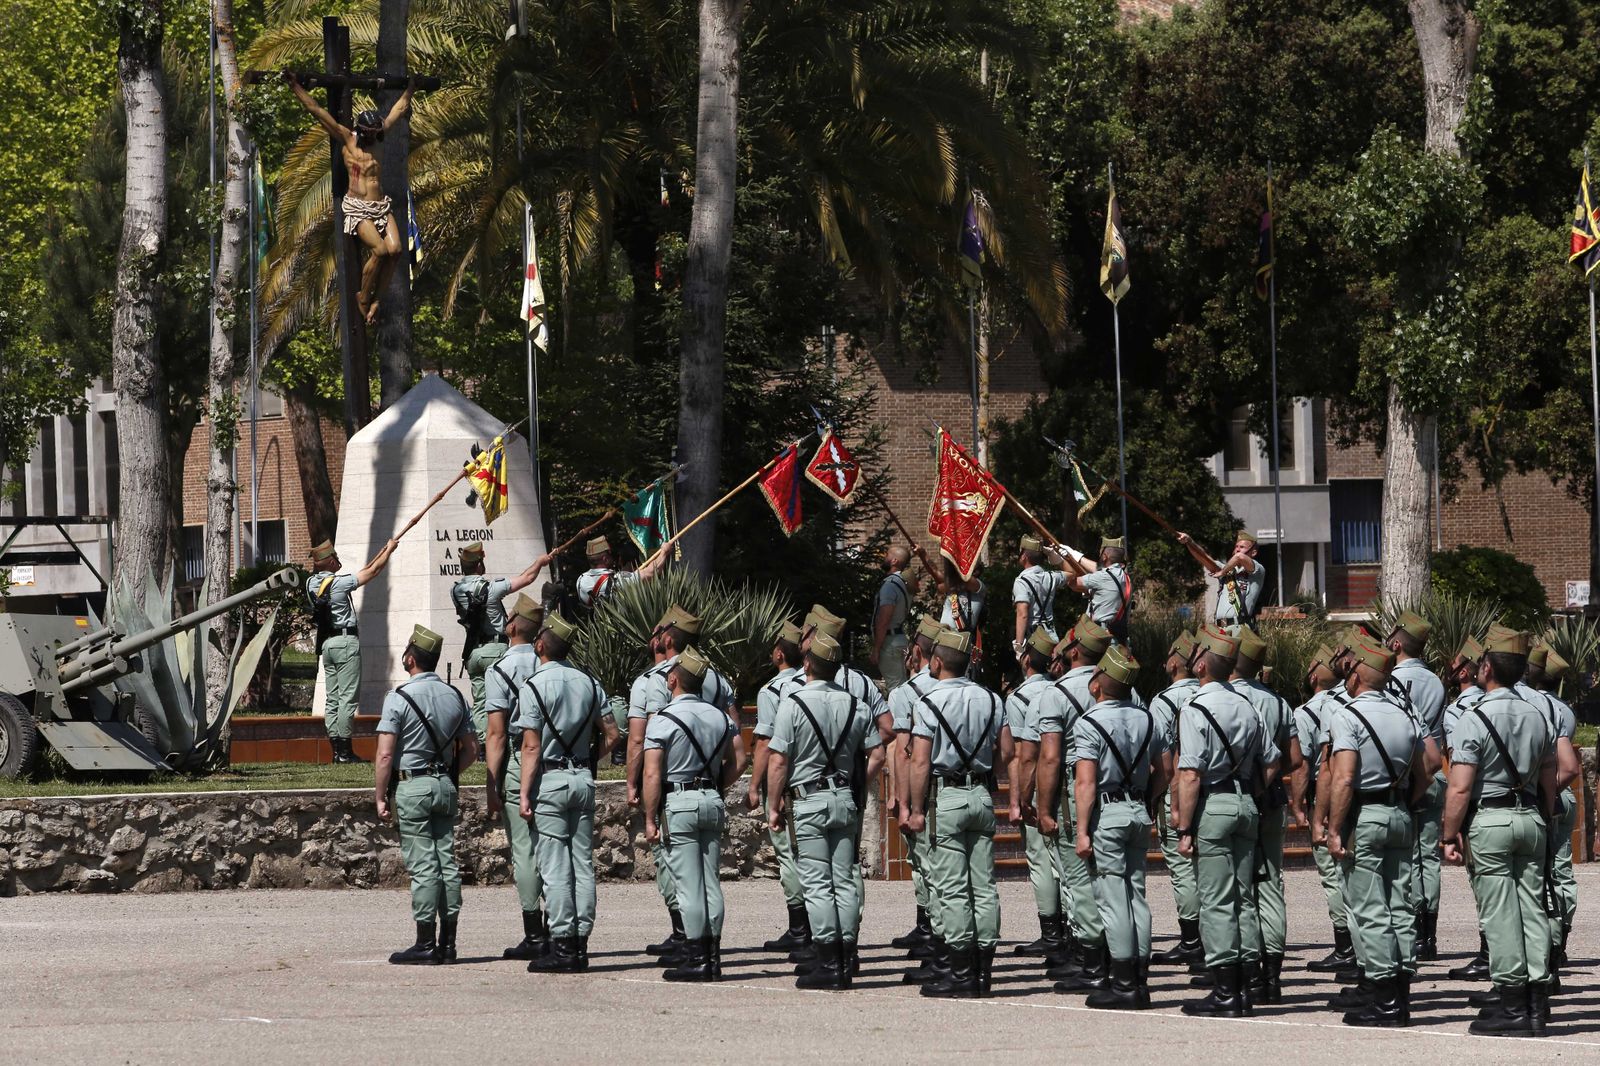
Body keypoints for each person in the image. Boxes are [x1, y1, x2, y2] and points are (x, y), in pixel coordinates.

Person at [1441, 628, 1559, 1037]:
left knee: (1500, 912)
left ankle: (1511, 1003)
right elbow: (1549, 774)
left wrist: (1448, 833)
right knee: (1532, 905)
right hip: (1531, 817)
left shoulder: (1473, 718)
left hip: (1490, 819)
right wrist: (1544, 813)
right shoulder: (1539, 715)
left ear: (1486, 667)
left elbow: (1459, 786)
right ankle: (1537, 1003)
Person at [765, 632, 886, 989]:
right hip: (844, 798)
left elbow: (778, 761)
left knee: (817, 883)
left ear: (807, 665)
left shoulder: (792, 703)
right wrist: (854, 781)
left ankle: (828, 963)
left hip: (809, 800)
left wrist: (774, 804)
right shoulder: (857, 705)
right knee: (845, 878)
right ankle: (847, 957)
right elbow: (877, 753)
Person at [1172, 625, 1277, 1018]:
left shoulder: (1195, 707)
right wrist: (1250, 791)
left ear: (1200, 665)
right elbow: (1271, 762)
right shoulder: (1249, 706)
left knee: (1216, 900)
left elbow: (1190, 774)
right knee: (1244, 898)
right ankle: (1248, 984)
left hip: (1213, 805)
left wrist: (1183, 827)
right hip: (1246, 802)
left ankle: (1225, 992)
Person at [1324, 641, 1429, 1028]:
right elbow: (1427, 770)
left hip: (1365, 814)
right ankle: (1402, 994)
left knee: (1370, 908)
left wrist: (1335, 829)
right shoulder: (1405, 716)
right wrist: (1403, 801)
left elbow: (1345, 777)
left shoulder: (1347, 715)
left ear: (1356, 675)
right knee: (1400, 905)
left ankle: (1384, 1000)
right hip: (1399, 811)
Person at [903, 629, 1011, 998]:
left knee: (952, 888)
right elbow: (1007, 751)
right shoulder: (993, 700)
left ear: (936, 662)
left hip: (945, 797)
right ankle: (984, 972)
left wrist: (917, 809)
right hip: (980, 793)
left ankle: (961, 971)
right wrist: (985, 771)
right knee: (984, 886)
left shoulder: (928, 701)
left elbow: (919, 761)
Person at [627, 605, 737, 962]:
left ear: (669, 638)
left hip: (676, 793)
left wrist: (640, 796)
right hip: (710, 789)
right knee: (709, 878)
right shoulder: (718, 681)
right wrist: (717, 786)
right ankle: (711, 947)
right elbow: (738, 750)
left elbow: (640, 745)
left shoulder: (653, 680)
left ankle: (688, 942)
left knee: (680, 874)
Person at [515, 611, 621, 973]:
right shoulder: (589, 683)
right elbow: (612, 734)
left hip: (550, 779)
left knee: (555, 866)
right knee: (582, 864)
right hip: (582, 777)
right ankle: (581, 943)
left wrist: (525, 793)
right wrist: (589, 760)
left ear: (540, 646)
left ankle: (561, 945)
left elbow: (530, 748)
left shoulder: (532, 687)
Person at [373, 624, 479, 965]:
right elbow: (471, 749)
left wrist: (379, 795)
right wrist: (449, 774)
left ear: (409, 658)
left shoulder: (398, 698)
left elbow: (386, 754)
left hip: (413, 785)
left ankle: (425, 943)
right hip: (444, 784)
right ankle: (448, 943)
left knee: (423, 866)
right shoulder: (455, 696)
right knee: (446, 862)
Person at [1068, 644, 1166, 1008]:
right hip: (1139, 810)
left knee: (1112, 898)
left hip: (1107, 813)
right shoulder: (1147, 719)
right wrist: (1149, 801)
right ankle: (1140, 976)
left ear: (1098, 684)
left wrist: (1081, 830)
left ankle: (1123, 983)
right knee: (1136, 892)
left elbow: (1085, 784)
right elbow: (1165, 770)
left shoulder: (1089, 723)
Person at [642, 647, 747, 982]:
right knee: (710, 881)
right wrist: (717, 786)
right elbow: (739, 761)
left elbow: (651, 773)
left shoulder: (663, 720)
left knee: (688, 885)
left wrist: (649, 817)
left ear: (673, 679)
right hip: (712, 798)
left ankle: (696, 957)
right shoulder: (721, 718)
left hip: (680, 802)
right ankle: (713, 956)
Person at [1036, 616, 1130, 990]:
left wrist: (1043, 809)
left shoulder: (1055, 693)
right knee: (1115, 882)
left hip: (1076, 793)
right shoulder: (1125, 688)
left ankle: (1091, 963)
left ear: (1074, 650)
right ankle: (1116, 955)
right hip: (1119, 794)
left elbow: (1049, 758)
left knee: (1080, 881)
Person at [285, 73, 416, 324]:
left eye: (375, 133)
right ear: (361, 130)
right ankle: (363, 296)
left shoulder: (379, 134)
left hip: (380, 205)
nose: (372, 137)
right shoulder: (348, 138)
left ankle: (377, 300)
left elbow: (398, 109)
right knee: (379, 251)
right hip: (358, 207)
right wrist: (295, 87)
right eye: (368, 133)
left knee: (396, 250)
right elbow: (317, 111)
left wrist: (411, 87)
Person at [1228, 625, 1297, 1004]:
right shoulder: (1278, 701)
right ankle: (1273, 975)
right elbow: (1294, 757)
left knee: (1241, 887)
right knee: (1271, 882)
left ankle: (1249, 970)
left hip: (1239, 792)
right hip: (1272, 796)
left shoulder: (1224, 697)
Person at [482, 593, 549, 960]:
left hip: (515, 756)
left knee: (523, 849)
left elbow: (495, 732)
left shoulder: (500, 669)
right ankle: (560, 927)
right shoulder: (550, 663)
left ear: (511, 626)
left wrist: (491, 781)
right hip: (551, 759)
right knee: (553, 846)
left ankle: (534, 932)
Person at [1518, 644, 1582, 988]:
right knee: (1560, 871)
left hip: (1537, 794)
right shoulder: (1563, 710)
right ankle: (1559, 943)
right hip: (1562, 792)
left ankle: (1533, 958)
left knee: (1533, 877)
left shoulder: (1523, 703)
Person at [1384, 610, 1447, 961]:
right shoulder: (1437, 681)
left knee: (1405, 858)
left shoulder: (1388, 679)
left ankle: (1409, 929)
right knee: (1429, 858)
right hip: (1435, 773)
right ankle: (1429, 934)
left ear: (1396, 643)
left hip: (1405, 775)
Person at [306, 536, 398, 763]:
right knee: (347, 698)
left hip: (327, 644)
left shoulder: (310, 584)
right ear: (328, 561)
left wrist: (382, 549)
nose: (337, 560)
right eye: (334, 557)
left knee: (333, 699)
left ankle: (336, 749)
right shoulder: (339, 583)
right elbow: (373, 571)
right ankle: (345, 752)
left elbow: (366, 568)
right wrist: (390, 551)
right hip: (346, 643)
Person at [451, 542, 553, 743]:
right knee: (510, 695)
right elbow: (527, 578)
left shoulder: (455, 591)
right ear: (479, 565)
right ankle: (509, 736)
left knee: (480, 700)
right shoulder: (491, 588)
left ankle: (482, 744)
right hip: (496, 648)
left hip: (473, 652)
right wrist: (540, 562)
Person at [891, 617, 947, 980]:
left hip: (924, 790)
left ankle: (931, 929)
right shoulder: (974, 691)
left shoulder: (906, 693)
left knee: (925, 864)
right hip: (960, 788)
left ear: (917, 651)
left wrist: (902, 799)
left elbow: (903, 752)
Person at [749, 621, 810, 956]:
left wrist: (756, 786)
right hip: (819, 782)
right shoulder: (814, 683)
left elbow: (765, 744)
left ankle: (799, 927)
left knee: (789, 856)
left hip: (788, 786)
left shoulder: (772, 691)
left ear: (777, 653)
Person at [1005, 627, 1065, 965]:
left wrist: (1019, 800)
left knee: (1041, 861)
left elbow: (1021, 755)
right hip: (1066, 785)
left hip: (1041, 784)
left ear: (1027, 659)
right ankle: (1071, 930)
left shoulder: (1019, 698)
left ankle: (1051, 933)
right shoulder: (1063, 691)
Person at [1291, 645, 1352, 975]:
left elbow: (1301, 766)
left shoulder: (1304, 713)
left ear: (1313, 677)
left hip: (1324, 794)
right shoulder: (1348, 703)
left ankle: (1344, 945)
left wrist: (1299, 805)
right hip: (1350, 794)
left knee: (1332, 876)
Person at [1150, 631, 1204, 968]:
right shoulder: (1209, 693)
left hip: (1179, 791)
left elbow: (1163, 760)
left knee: (1182, 869)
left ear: (1173, 663)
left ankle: (1190, 939)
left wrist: (1164, 800)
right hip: (1210, 790)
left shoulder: (1162, 702)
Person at [1441, 635, 1491, 982]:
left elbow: (1455, 772)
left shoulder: (1460, 712)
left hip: (1483, 808)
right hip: (1532, 808)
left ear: (1465, 673)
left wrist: (1450, 828)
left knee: (1489, 891)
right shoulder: (1533, 705)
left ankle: (1494, 960)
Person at [1177, 529, 1265, 627]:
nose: (1237, 550)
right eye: (1236, 546)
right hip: (1220, 628)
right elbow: (1203, 557)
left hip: (1241, 628)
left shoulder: (1257, 570)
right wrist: (1189, 541)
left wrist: (1222, 572)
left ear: (1253, 553)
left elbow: (1240, 557)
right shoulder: (1228, 570)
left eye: (1242, 547)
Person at [1058, 537, 1135, 644]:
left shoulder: (1103, 577)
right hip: (1117, 637)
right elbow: (1101, 572)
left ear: (1104, 557)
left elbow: (1072, 583)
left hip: (1098, 638)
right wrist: (1074, 555)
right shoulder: (1125, 577)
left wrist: (1062, 560)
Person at [575, 535, 664, 609]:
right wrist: (664, 552)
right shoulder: (614, 582)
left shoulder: (581, 581)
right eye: (611, 554)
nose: (614, 558)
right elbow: (651, 573)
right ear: (605, 559)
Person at [1013, 535, 1068, 647]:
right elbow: (1073, 573)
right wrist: (1053, 555)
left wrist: (1018, 644)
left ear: (1024, 557)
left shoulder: (1021, 581)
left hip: (1033, 640)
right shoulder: (1051, 577)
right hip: (1051, 637)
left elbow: (1022, 613)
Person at [872, 546, 915, 688]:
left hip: (890, 642)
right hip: (899, 637)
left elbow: (884, 620)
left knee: (895, 689)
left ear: (894, 561)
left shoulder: (890, 585)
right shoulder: (903, 583)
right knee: (901, 685)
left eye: (887, 555)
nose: (884, 557)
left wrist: (876, 649)